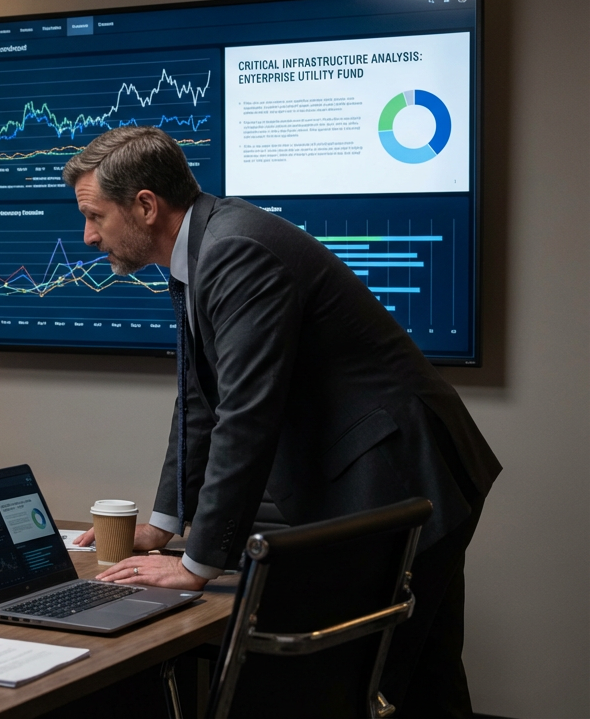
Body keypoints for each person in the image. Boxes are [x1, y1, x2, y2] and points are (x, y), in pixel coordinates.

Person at [66, 126, 500, 716]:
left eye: (95, 216)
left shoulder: (235, 249)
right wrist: (163, 526)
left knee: (374, 681)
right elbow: (199, 399)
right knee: (421, 676)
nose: (88, 236)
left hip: (400, 468)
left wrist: (196, 565)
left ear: (145, 205)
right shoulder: (201, 250)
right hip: (393, 465)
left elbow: (246, 414)